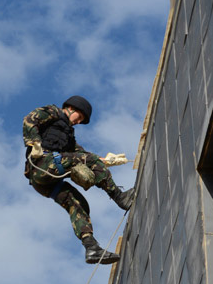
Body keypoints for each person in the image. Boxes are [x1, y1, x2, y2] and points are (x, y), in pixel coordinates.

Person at [23, 95, 135, 264]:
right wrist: (35, 144)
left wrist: (106, 161)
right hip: (43, 164)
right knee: (90, 163)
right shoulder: (53, 112)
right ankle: (120, 197)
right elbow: (30, 119)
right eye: (79, 117)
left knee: (78, 203)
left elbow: (82, 155)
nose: (78, 122)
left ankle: (91, 248)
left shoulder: (68, 135)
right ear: (71, 108)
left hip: (45, 182)